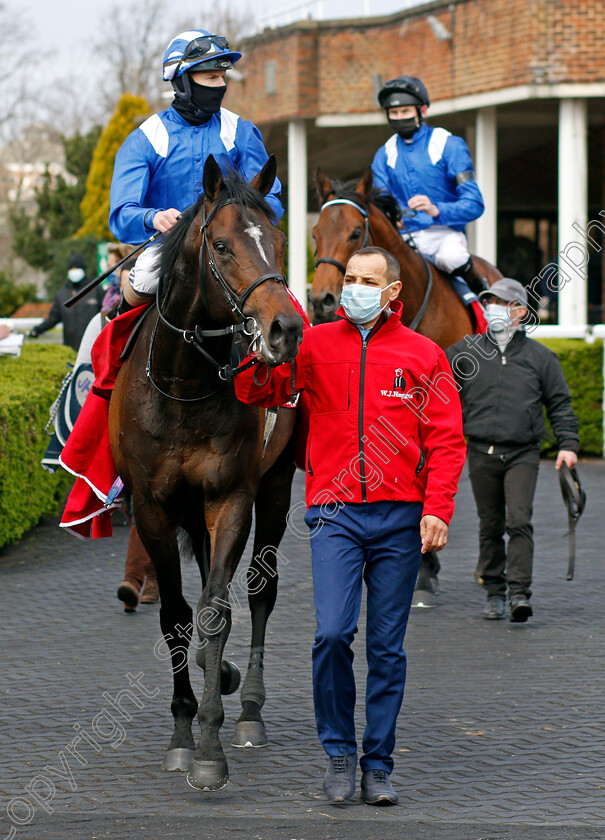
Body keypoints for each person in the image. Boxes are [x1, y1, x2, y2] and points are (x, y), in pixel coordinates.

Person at [235, 246, 466, 805]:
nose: (354, 287)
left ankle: (378, 764)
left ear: (391, 293)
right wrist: (257, 353)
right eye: (351, 278)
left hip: (400, 518)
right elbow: (256, 392)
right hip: (333, 515)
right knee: (333, 634)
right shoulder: (314, 344)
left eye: (368, 280)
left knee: (388, 649)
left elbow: (446, 439)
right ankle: (339, 753)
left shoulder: (424, 355)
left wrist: (437, 508)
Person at [109, 29, 284, 311]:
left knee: (282, 303)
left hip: (235, 250)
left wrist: (242, 223)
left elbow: (271, 199)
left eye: (223, 77)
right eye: (211, 77)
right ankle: (116, 346)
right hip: (168, 250)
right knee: (142, 279)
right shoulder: (145, 138)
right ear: (182, 82)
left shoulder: (241, 132)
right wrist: (153, 217)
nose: (221, 85)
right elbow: (121, 213)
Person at [445, 278, 580, 622]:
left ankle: (519, 593)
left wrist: (568, 445)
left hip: (523, 453)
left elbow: (560, 405)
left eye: (502, 303)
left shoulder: (541, 358)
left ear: (519, 311)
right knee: (490, 524)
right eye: (489, 302)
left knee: (519, 521)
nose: (493, 308)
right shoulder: (466, 352)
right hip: (480, 452)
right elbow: (434, 385)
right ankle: (494, 592)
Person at [371, 75, 486, 295]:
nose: (399, 117)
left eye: (405, 112)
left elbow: (474, 204)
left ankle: (484, 303)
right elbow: (380, 202)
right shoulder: (383, 154)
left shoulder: (449, 145)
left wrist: (436, 209)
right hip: (403, 239)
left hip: (445, 234)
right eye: (393, 113)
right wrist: (392, 217)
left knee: (453, 257)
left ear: (422, 111)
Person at [29, 254, 104, 351]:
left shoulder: (95, 290)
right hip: (70, 348)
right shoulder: (62, 294)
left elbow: (105, 315)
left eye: (77, 268)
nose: (74, 271)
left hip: (94, 346)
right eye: (72, 268)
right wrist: (37, 330)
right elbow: (53, 318)